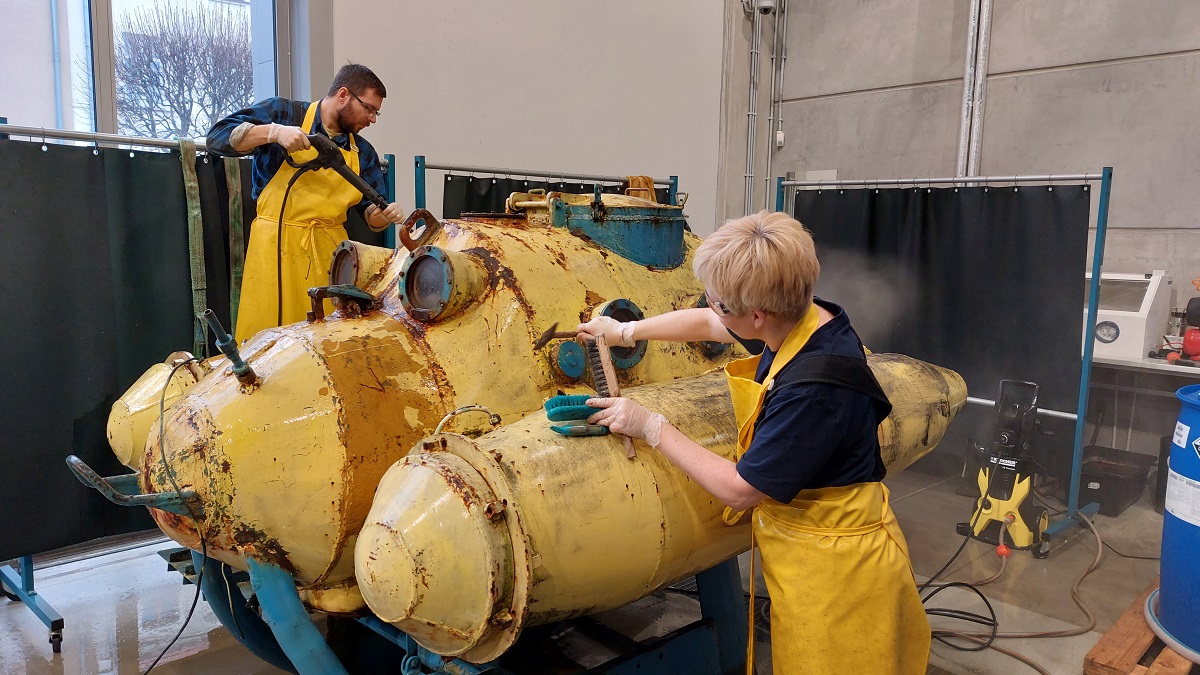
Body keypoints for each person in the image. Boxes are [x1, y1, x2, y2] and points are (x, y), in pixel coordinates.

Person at [579, 211, 930, 674]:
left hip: (839, 576)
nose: (712, 307)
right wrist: (625, 331)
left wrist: (651, 426)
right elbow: (711, 324)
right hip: (811, 552)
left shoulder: (814, 390)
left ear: (757, 316)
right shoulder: (804, 318)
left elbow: (740, 490)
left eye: (719, 302)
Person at [207, 63, 404, 342]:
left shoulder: (363, 153)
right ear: (343, 95)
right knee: (266, 341)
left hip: (329, 257)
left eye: (376, 112)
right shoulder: (284, 114)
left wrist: (387, 214)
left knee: (325, 342)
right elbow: (216, 138)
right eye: (369, 108)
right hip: (275, 250)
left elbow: (371, 215)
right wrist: (273, 133)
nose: (372, 119)